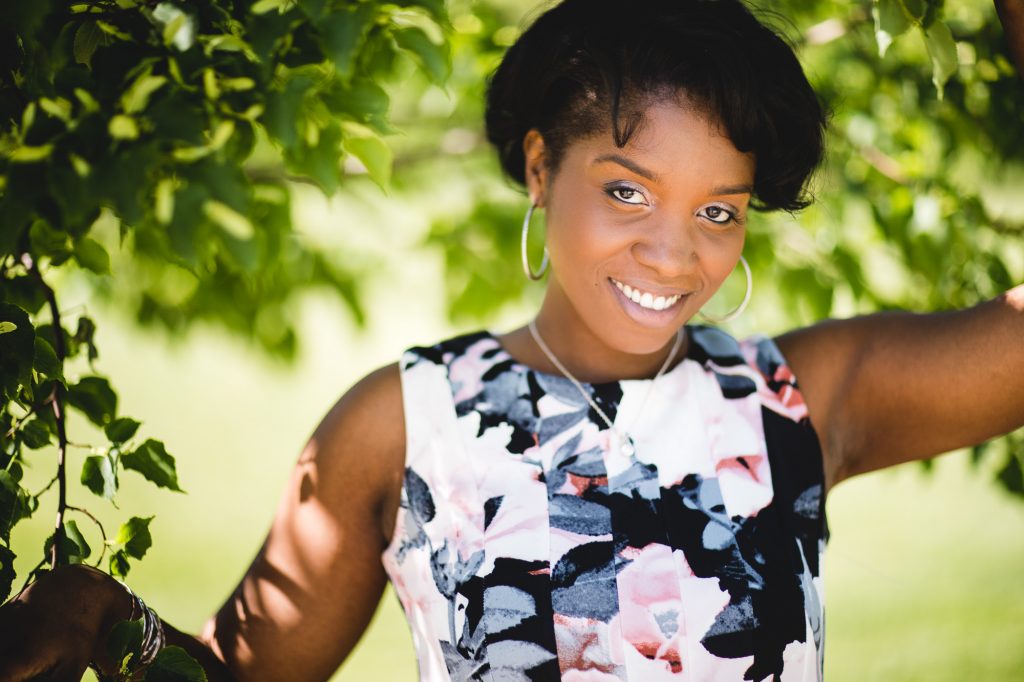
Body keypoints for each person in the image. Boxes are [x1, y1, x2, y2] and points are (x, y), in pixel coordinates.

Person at [2, 0, 1023, 680]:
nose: (673, 256)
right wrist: (104, 618)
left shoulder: (796, 399)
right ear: (540, 168)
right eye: (626, 190)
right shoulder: (405, 423)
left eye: (719, 210)